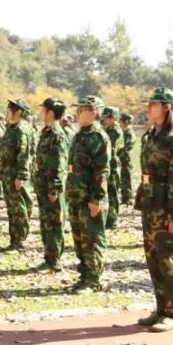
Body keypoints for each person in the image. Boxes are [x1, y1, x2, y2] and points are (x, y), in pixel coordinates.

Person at [135, 88, 173, 332]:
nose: (148, 108)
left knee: (167, 259)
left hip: (165, 208)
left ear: (166, 107)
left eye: (153, 104)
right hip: (149, 205)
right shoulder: (151, 136)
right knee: (153, 259)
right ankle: (159, 307)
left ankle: (171, 312)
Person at [67, 96, 110, 293]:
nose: (78, 113)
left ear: (94, 112)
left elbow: (101, 171)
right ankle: (84, 276)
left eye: (82, 109)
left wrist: (97, 199)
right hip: (76, 196)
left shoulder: (98, 137)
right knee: (80, 240)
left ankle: (93, 280)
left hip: (90, 198)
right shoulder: (80, 135)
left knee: (92, 239)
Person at [33, 98, 68, 269]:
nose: (41, 113)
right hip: (43, 184)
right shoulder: (46, 132)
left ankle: (54, 260)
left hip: (52, 186)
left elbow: (59, 164)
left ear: (51, 113)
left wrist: (54, 188)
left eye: (43, 110)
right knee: (46, 222)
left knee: (54, 223)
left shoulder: (57, 134)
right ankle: (48, 257)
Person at [0, 99, 35, 250]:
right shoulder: (11, 128)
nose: (7, 112)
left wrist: (21, 176)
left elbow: (24, 155)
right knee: (12, 208)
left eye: (10, 109)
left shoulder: (21, 130)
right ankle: (14, 240)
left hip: (16, 175)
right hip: (8, 174)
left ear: (19, 112)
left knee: (20, 208)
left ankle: (19, 240)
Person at [101, 106, 125, 229]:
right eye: (105, 117)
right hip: (108, 163)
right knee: (108, 192)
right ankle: (108, 219)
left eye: (108, 117)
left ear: (114, 118)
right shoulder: (107, 129)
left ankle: (113, 219)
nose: (105, 120)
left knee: (113, 192)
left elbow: (111, 149)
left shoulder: (116, 131)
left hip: (113, 164)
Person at [119, 113, 135, 205]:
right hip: (123, 158)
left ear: (126, 122)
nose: (120, 122)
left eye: (121, 121)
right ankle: (125, 197)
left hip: (126, 158)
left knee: (126, 178)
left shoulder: (128, 132)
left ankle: (127, 198)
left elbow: (126, 147)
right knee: (124, 178)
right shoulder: (125, 131)